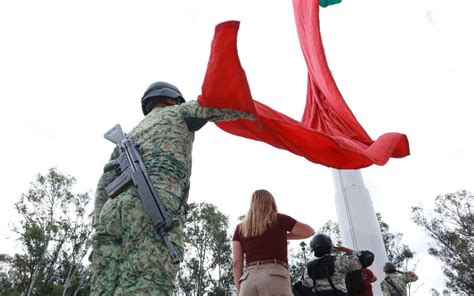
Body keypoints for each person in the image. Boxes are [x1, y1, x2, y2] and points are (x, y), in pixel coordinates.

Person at [90, 81, 255, 295]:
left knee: (103, 286)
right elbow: (218, 106)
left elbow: (105, 179)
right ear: (171, 99)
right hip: (152, 206)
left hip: (112, 213)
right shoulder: (178, 113)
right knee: (147, 283)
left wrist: (99, 219)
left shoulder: (129, 136)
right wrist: (259, 116)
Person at [231, 189, 315, 296]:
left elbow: (236, 263)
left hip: (248, 281)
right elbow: (309, 231)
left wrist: (240, 290)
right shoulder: (279, 219)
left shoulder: (240, 228)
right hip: (275, 277)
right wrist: (283, 236)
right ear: (271, 203)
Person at [299, 234, 374, 296]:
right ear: (329, 247)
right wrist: (345, 249)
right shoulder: (338, 261)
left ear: (313, 248)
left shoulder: (308, 268)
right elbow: (367, 258)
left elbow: (304, 287)